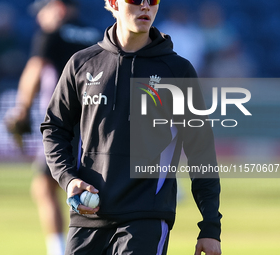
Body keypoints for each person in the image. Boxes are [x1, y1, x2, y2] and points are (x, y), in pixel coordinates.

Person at [41, 0, 222, 254]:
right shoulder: (82, 64)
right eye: (136, 0)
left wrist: (210, 227)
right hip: (87, 217)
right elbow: (54, 128)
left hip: (146, 218)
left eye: (153, 0)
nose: (146, 7)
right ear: (113, 3)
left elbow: (201, 151)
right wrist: (68, 179)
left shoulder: (177, 71)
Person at [4, 1, 101, 255]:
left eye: (42, 12)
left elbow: (35, 69)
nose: (39, 19)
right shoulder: (97, 34)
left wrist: (21, 110)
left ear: (57, 7)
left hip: (65, 123)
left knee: (44, 186)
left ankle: (59, 249)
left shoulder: (51, 33)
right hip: (98, 123)